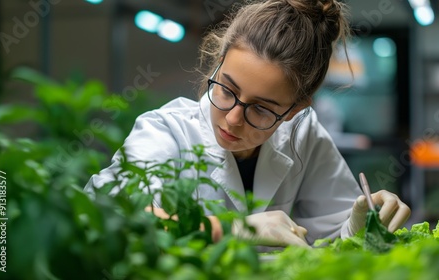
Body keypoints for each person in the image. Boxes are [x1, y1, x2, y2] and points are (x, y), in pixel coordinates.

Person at [85, 0, 411, 247]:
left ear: (295, 110)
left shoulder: (302, 134)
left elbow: (335, 245)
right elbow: (101, 217)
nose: (233, 118)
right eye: (227, 89)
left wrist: (360, 227)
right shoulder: (165, 131)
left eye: (261, 109)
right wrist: (234, 229)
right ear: (217, 63)